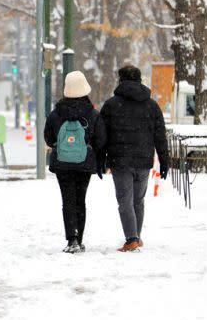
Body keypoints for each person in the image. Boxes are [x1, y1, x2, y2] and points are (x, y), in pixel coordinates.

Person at [100, 65, 170, 252]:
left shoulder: (111, 105)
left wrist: (101, 158)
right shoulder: (152, 105)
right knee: (138, 201)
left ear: (121, 80)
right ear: (139, 80)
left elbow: (101, 136)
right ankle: (136, 237)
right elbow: (160, 136)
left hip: (120, 161)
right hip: (144, 160)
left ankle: (132, 239)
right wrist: (164, 160)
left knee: (125, 201)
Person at [44, 71, 106, 253]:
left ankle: (71, 239)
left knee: (68, 200)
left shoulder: (56, 113)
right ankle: (79, 238)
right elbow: (101, 140)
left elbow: (48, 138)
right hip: (84, 164)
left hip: (62, 164)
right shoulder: (92, 114)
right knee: (81, 200)